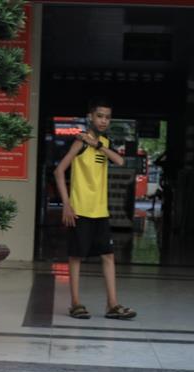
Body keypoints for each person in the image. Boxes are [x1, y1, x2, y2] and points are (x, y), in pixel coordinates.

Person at [53, 100, 136, 320]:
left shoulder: (105, 143)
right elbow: (59, 171)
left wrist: (97, 144)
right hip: (80, 210)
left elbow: (119, 161)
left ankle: (112, 304)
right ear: (91, 116)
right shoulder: (79, 142)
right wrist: (66, 204)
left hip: (100, 211)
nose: (103, 120)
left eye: (107, 117)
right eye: (100, 116)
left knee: (108, 256)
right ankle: (76, 303)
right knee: (76, 257)